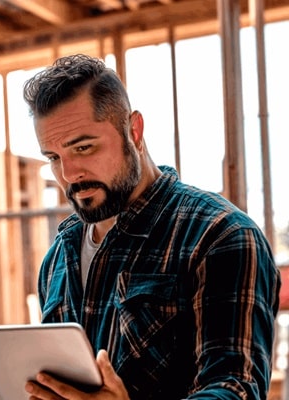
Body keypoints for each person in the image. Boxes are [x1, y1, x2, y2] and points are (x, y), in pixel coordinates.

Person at [22, 54, 280, 399]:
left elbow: (236, 389)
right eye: (53, 158)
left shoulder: (220, 235)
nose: (69, 174)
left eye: (83, 147)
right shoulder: (58, 257)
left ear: (134, 130)